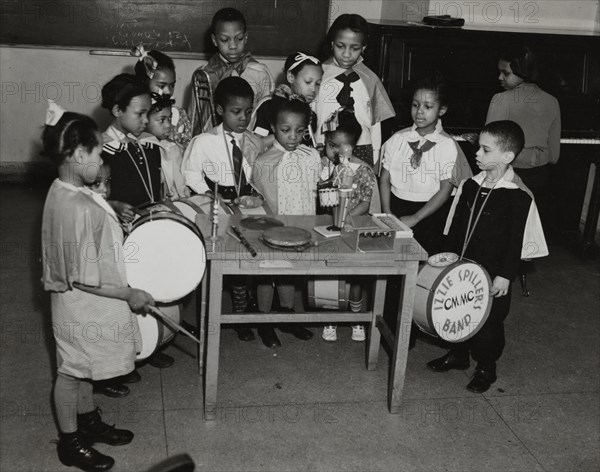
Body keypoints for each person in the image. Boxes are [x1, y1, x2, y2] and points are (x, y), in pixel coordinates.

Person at [41, 101, 155, 471]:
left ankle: (87, 421)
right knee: (71, 371)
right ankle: (70, 441)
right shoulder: (76, 207)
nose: (100, 159)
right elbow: (82, 277)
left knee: (85, 365)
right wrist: (129, 293)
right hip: (81, 301)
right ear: (76, 154)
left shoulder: (67, 189)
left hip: (85, 300)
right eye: (95, 152)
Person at [427, 120, 548, 393]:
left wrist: (506, 274)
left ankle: (486, 367)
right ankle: (458, 355)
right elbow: (456, 227)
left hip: (494, 272)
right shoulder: (470, 186)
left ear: (507, 156)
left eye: (485, 150)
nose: (476, 154)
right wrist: (447, 258)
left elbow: (516, 241)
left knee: (488, 323)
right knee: (456, 310)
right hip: (462, 265)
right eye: (478, 149)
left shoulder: (518, 197)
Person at [182, 76, 266, 341]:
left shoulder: (253, 141)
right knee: (225, 255)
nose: (243, 118)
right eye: (236, 112)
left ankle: (248, 309)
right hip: (216, 201)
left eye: (248, 112)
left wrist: (257, 196)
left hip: (247, 201)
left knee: (253, 251)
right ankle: (224, 315)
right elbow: (191, 173)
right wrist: (209, 194)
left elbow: (259, 175)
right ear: (220, 110)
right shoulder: (204, 141)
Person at [100, 73, 174, 371]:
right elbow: (88, 195)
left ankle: (148, 343)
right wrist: (112, 205)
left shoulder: (144, 144)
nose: (146, 119)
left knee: (146, 283)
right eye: (139, 113)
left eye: (148, 113)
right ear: (117, 111)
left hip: (144, 227)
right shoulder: (102, 149)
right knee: (121, 295)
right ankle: (114, 365)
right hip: (117, 232)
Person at [251, 98, 323, 348]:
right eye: (285, 130)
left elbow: (316, 189)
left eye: (299, 130)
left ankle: (287, 316)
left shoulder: (311, 155)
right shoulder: (264, 161)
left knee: (290, 272)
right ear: (273, 126)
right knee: (268, 272)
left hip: (302, 224)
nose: (293, 137)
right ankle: (264, 321)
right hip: (274, 228)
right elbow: (261, 200)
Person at [380, 73, 472, 255]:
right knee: (394, 259)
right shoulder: (397, 139)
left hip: (431, 211)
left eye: (428, 106)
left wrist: (416, 217)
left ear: (442, 110)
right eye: (415, 105)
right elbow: (384, 178)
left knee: (424, 260)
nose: (419, 111)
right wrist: (387, 212)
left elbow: (446, 189)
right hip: (396, 206)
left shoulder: (447, 145)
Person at [485, 45, 561, 233]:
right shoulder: (552, 101)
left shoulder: (500, 99)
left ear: (522, 72)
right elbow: (554, 156)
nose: (499, 77)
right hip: (540, 177)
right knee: (527, 230)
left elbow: (488, 149)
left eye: (505, 73)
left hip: (508, 175)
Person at [319, 108, 380, 342]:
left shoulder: (361, 170)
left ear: (353, 147)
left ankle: (356, 318)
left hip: (352, 226)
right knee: (329, 274)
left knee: (354, 276)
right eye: (331, 145)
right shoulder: (323, 166)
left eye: (342, 147)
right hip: (327, 228)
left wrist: (346, 218)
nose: (335, 151)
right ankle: (330, 318)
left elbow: (366, 201)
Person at [314, 13, 395, 169]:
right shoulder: (318, 76)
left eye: (354, 48)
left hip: (361, 147)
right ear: (332, 43)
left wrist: (375, 155)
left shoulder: (370, 80)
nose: (346, 54)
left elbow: (375, 122)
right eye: (340, 46)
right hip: (324, 145)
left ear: (363, 47)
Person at [189, 7, 274, 134]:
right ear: (214, 40)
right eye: (224, 40)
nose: (233, 46)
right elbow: (195, 120)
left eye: (239, 38)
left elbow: (269, 114)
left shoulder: (259, 73)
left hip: (250, 143)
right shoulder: (204, 75)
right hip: (212, 144)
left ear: (245, 37)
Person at [250, 51, 322, 148]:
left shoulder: (311, 116)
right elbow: (256, 145)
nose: (313, 89)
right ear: (291, 77)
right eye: (308, 82)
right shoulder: (269, 106)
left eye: (318, 84)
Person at [133, 45, 193, 150]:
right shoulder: (135, 116)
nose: (168, 92)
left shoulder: (180, 116)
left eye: (172, 85)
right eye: (161, 86)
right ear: (144, 83)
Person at [142, 93, 188, 200]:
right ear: (144, 120)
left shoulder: (173, 147)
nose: (168, 125)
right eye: (161, 120)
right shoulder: (141, 148)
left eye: (169, 118)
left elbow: (181, 183)